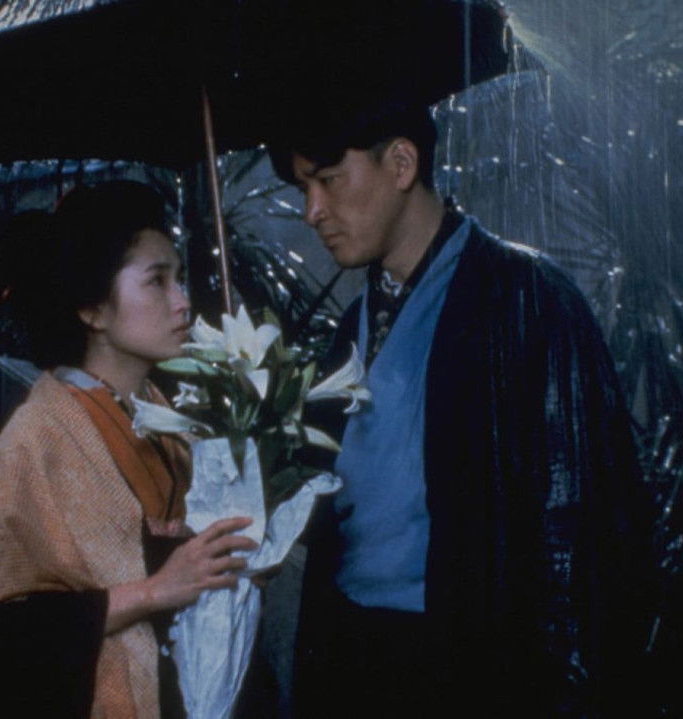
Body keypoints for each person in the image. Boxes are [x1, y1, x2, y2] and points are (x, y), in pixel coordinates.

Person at [270, 104, 650, 717]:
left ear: (401, 164)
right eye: (303, 188)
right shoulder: (353, 326)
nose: (313, 211)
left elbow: (578, 521)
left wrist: (569, 690)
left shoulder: (527, 297)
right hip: (356, 654)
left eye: (329, 180)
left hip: (475, 660)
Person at [0, 181, 258, 719]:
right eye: (157, 281)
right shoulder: (40, 434)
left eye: (179, 278)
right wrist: (155, 591)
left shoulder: (169, 422)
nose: (182, 301)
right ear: (92, 309)